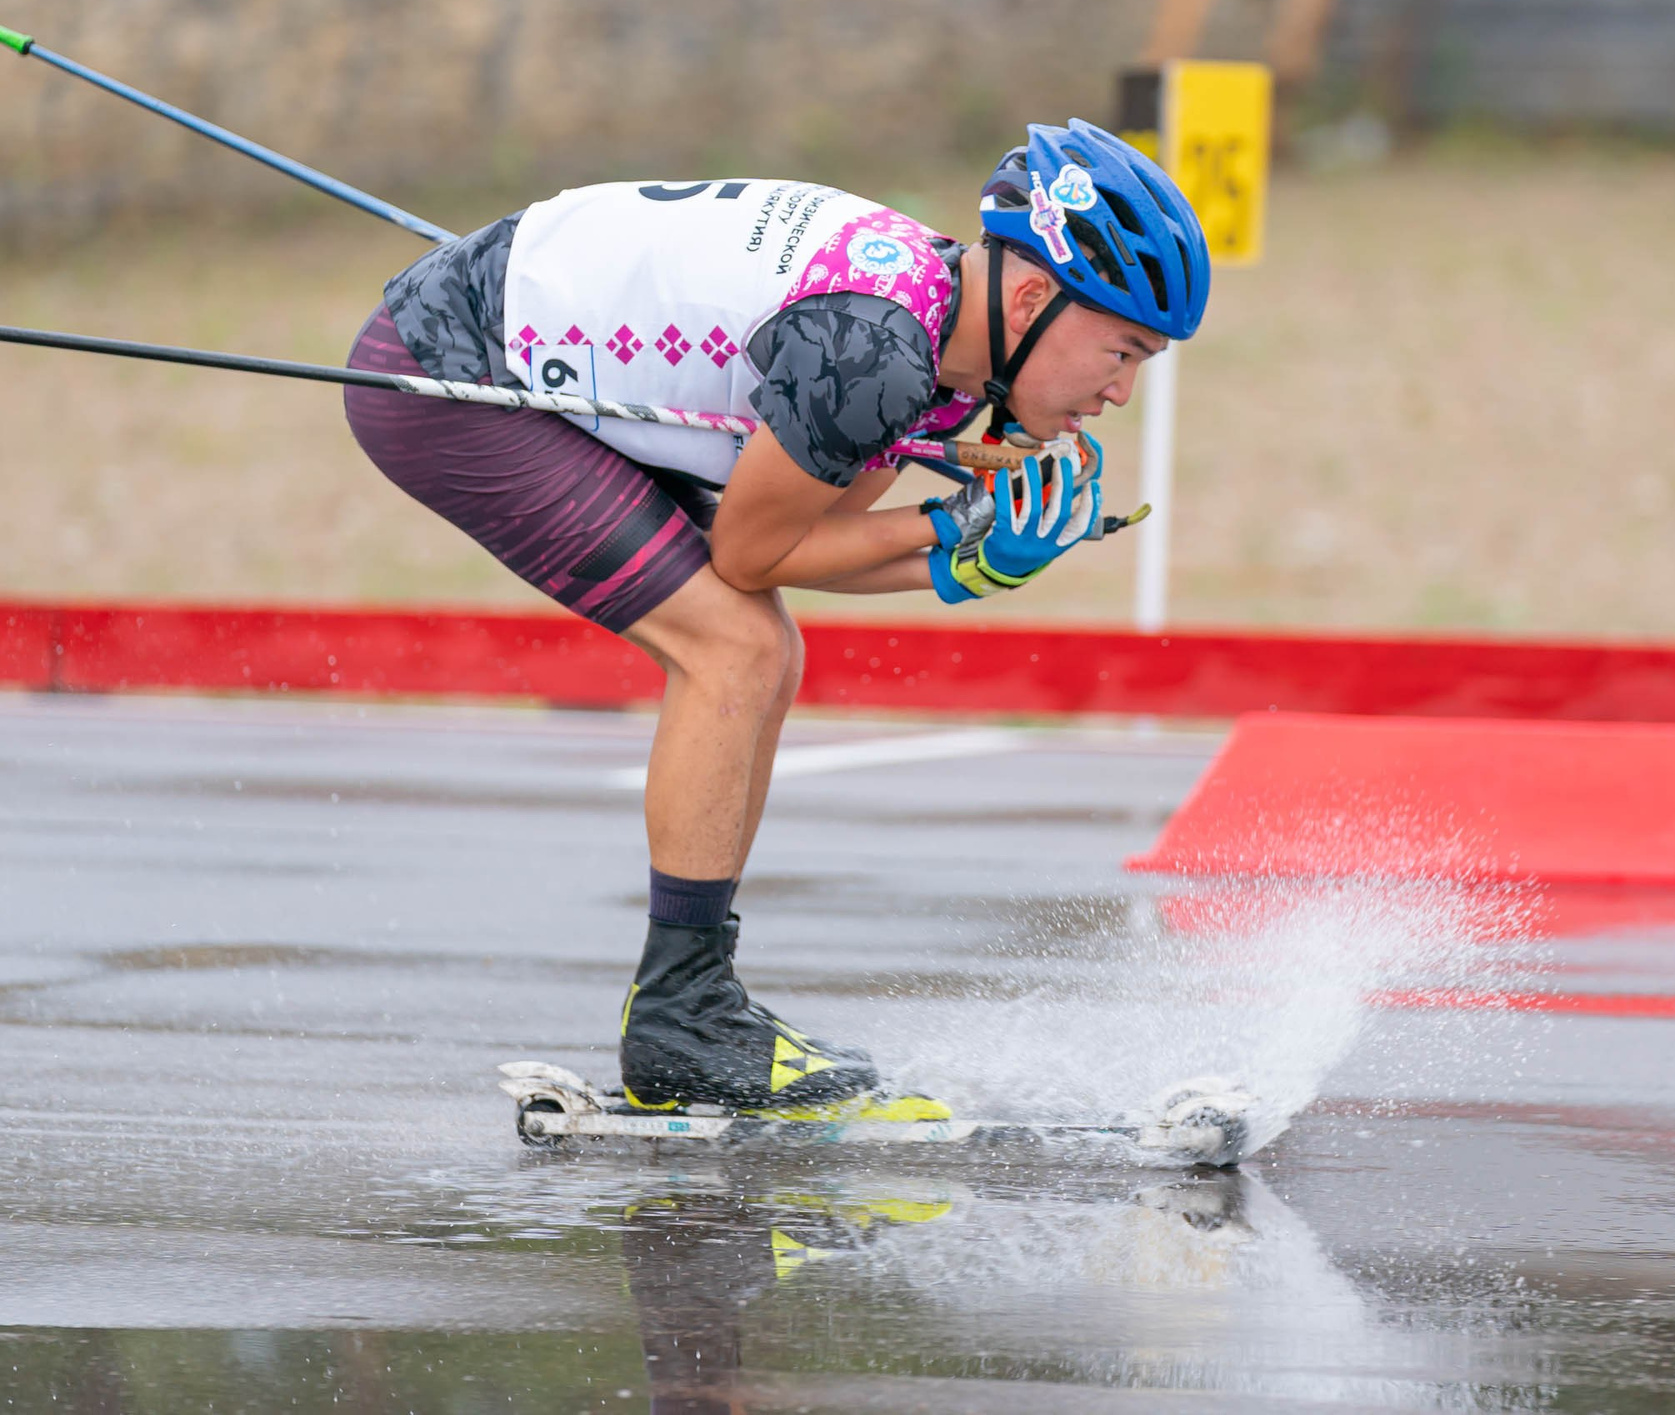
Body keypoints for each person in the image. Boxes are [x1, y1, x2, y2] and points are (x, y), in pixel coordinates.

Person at [341, 120, 1210, 1112]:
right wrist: (946, 525)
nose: (1123, 391)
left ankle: (693, 1003)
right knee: (736, 649)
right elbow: (750, 554)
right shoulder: (876, 351)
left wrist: (965, 561)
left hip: (508, 322)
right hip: (450, 377)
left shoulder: (937, 346)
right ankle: (678, 1017)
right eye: (1123, 349)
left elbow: (813, 536)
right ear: (1029, 297)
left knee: (762, 647)